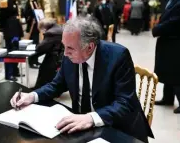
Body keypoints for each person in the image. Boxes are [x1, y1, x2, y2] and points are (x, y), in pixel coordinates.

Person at [10, 16, 153, 143]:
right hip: (81, 129)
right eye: (64, 46)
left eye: (70, 48)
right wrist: (32, 96)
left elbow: (124, 103)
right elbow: (56, 85)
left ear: (90, 47)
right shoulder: (69, 56)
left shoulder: (118, 56)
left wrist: (91, 118)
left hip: (116, 127)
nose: (65, 54)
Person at [153, 0, 180, 114]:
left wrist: (158, 29)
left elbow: (175, 21)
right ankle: (168, 98)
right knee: (168, 72)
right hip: (168, 41)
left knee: (176, 73)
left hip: (175, 42)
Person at [0, 0, 24, 81]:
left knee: (16, 51)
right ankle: (9, 74)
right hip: (9, 31)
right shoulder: (5, 2)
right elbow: (1, 17)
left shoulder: (15, 1)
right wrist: (1, 29)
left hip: (16, 30)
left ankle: (15, 71)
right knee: (10, 52)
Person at [33, 18, 63, 89]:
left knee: (44, 69)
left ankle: (39, 89)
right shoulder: (58, 28)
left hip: (55, 57)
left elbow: (40, 48)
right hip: (60, 55)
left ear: (43, 27)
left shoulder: (51, 33)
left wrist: (38, 45)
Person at [24, 0, 42, 68]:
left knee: (37, 44)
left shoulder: (37, 0)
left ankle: (36, 60)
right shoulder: (30, 1)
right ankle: (31, 62)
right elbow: (26, 12)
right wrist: (31, 17)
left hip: (37, 25)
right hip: (32, 25)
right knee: (32, 44)